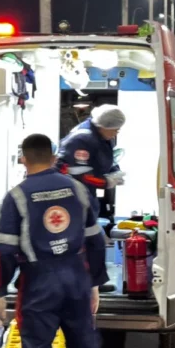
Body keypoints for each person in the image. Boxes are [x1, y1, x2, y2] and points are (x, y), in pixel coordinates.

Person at [0, 133, 113, 348]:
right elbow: (96, 240)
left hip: (39, 282)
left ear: (23, 159)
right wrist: (95, 282)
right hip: (76, 278)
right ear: (54, 157)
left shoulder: (17, 196)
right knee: (83, 345)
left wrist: (0, 293)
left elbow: (5, 251)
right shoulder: (77, 189)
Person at [57, 104, 127, 291]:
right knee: (86, 241)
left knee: (92, 241)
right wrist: (106, 182)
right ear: (103, 125)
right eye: (115, 129)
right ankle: (86, 283)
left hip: (86, 195)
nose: (116, 132)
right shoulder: (82, 139)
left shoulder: (101, 136)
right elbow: (75, 172)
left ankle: (91, 282)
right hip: (72, 197)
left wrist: (115, 172)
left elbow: (106, 159)